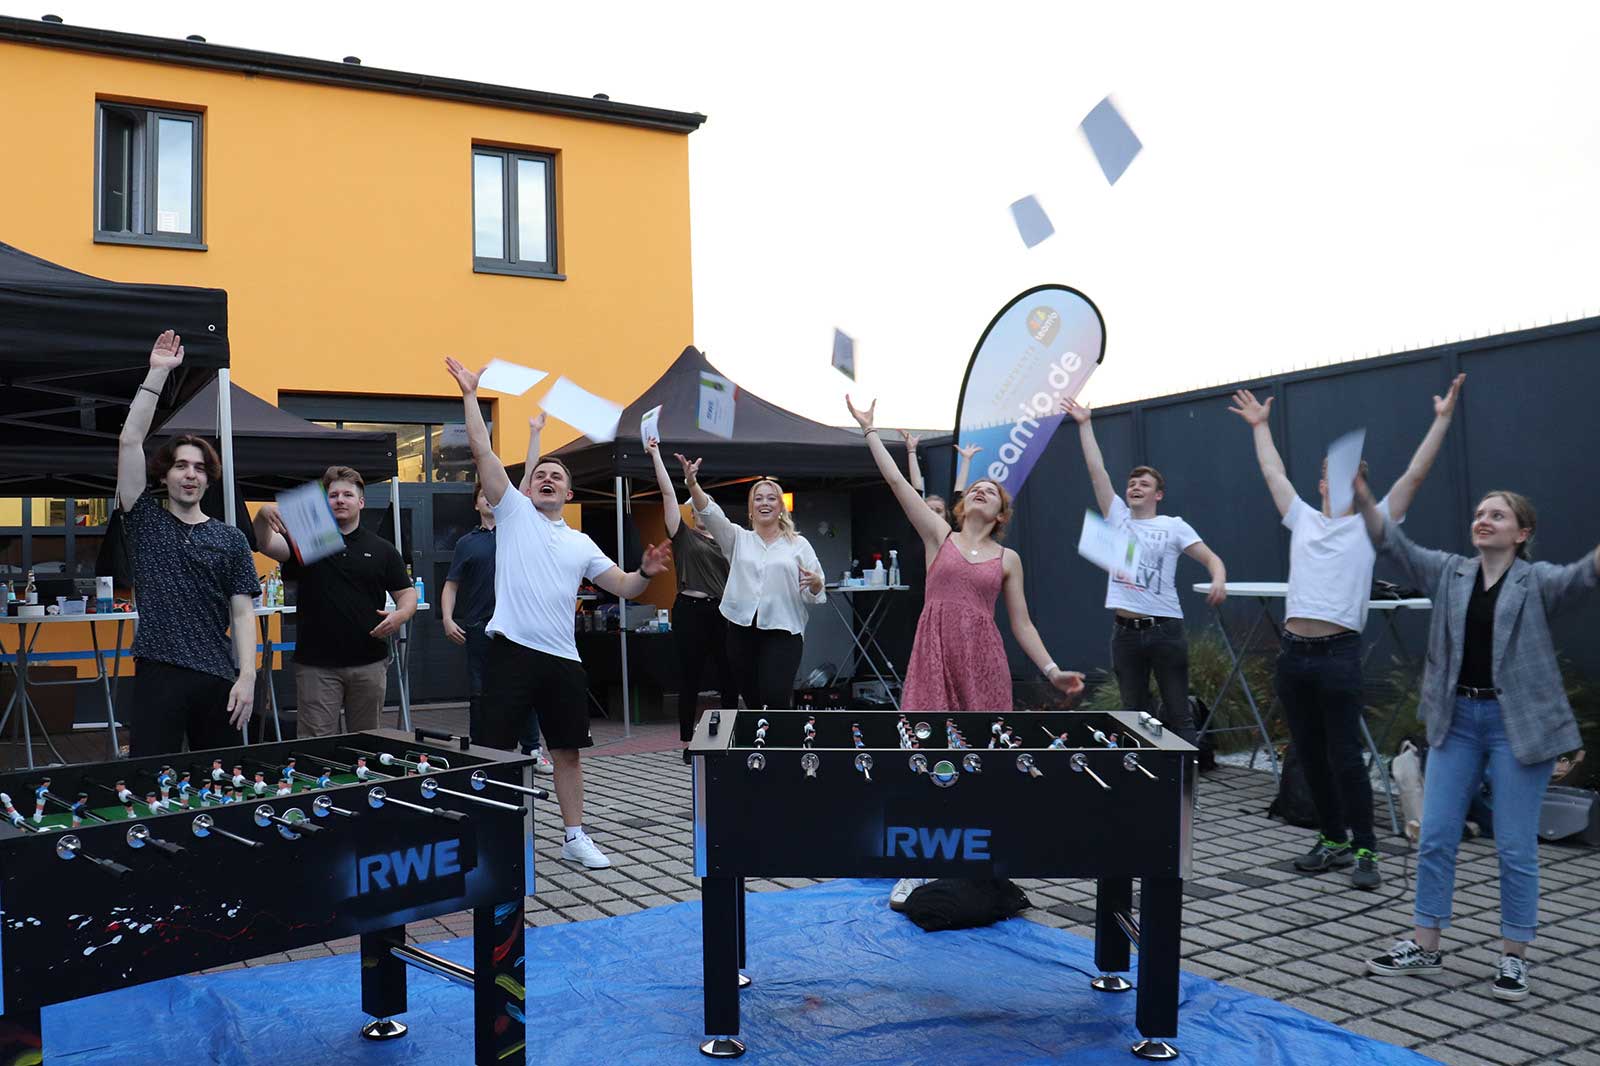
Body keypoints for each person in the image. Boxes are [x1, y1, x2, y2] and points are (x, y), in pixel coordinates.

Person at [1359, 478, 1597, 1001]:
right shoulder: (1451, 572)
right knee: (1437, 836)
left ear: (1521, 533)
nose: (1484, 519)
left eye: (1499, 515)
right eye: (1480, 513)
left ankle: (1513, 958)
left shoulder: (1537, 582)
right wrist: (1359, 490)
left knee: (1514, 847)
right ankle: (1425, 945)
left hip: (1517, 725)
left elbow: (1585, 575)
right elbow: (1391, 542)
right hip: (1457, 721)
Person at [848, 396, 1086, 909]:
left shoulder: (1009, 559)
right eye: (975, 487)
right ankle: (916, 865)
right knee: (924, 754)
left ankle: (976, 859)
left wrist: (1051, 670)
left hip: (983, 663)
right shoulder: (941, 536)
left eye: (991, 492)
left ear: (1001, 513)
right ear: (962, 504)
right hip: (933, 655)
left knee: (977, 760)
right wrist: (871, 433)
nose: (981, 491)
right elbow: (897, 485)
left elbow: (1021, 623)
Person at [1229, 375, 1465, 889]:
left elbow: (1415, 474)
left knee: (1345, 758)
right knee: (1309, 754)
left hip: (1338, 655)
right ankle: (1332, 839)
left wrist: (1442, 419)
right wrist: (1260, 427)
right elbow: (1272, 471)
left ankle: (1366, 850)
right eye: (1331, 475)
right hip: (1294, 656)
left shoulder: (1371, 523)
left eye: (1351, 476)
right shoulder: (1304, 519)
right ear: (1319, 484)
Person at [446, 357, 672, 869]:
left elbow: (623, 586)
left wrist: (646, 573)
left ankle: (574, 838)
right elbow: (482, 451)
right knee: (496, 753)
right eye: (540, 473)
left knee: (567, 751)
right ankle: (489, 838)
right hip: (510, 652)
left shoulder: (582, 542)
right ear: (529, 488)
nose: (547, 478)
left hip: (562, 660)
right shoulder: (513, 513)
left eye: (556, 477)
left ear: (568, 495)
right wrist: (469, 396)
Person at [116, 330, 260, 756]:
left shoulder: (230, 538)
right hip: (158, 672)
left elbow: (242, 610)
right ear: (165, 475)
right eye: (180, 465)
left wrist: (248, 677)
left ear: (208, 477)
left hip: (218, 676)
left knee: (218, 786)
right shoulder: (145, 521)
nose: (190, 474)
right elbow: (129, 441)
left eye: (199, 467)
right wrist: (157, 374)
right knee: (149, 784)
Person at [1058, 397, 1226, 739]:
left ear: (1158, 494)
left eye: (1144, 484)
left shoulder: (1174, 525)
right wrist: (1084, 424)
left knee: (1179, 714)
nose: (1135, 487)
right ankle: (1147, 784)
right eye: (1132, 483)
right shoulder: (1117, 518)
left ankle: (1186, 789)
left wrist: (1218, 577)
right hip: (1124, 633)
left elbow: (1211, 557)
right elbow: (1097, 472)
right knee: (1135, 716)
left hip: (1165, 630)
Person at [252, 466, 417, 737]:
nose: (340, 500)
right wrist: (261, 515)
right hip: (317, 666)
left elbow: (406, 593)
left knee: (367, 743)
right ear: (324, 502)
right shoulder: (308, 541)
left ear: (361, 502)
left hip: (369, 664)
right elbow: (265, 543)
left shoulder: (382, 549)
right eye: (333, 495)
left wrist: (402, 614)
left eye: (348, 495)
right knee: (316, 745)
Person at [677, 455, 825, 711]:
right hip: (741, 630)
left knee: (776, 696)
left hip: (783, 631)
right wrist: (692, 483)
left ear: (781, 507)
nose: (764, 503)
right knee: (753, 699)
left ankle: (781, 749)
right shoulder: (738, 539)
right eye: (758, 498)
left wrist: (814, 583)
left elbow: (817, 586)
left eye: (771, 498)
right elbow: (711, 514)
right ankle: (758, 750)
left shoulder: (798, 544)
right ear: (751, 507)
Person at [441, 442, 553, 774]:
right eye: (482, 495)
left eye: (492, 494)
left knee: (525, 689)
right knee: (479, 694)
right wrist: (448, 619)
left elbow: (526, 484)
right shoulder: (466, 543)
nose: (489, 498)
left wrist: (534, 436)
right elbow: (451, 584)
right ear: (476, 504)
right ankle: (479, 752)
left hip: (517, 626)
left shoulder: (515, 528)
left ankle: (532, 749)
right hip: (477, 628)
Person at [645, 435, 735, 759]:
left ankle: (725, 741)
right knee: (690, 677)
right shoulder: (684, 536)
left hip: (722, 612)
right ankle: (686, 742)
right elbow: (668, 494)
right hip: (690, 609)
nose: (699, 510)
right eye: (694, 506)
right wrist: (655, 454)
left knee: (728, 677)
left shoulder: (729, 539)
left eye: (704, 505)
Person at [903, 432, 981, 523]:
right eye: (929, 510)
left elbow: (959, 491)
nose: (934, 514)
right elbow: (917, 487)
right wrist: (911, 451)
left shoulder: (951, 532)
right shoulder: (917, 527)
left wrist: (966, 460)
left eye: (939, 511)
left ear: (946, 515)